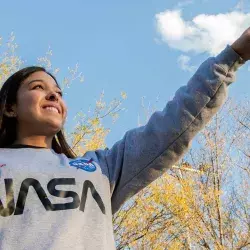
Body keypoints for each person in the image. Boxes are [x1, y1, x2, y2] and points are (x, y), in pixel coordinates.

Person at [0, 26, 249, 250]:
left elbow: (172, 124)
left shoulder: (101, 169)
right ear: (10, 107)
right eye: (38, 87)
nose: (54, 96)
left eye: (58, 92)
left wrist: (233, 56)